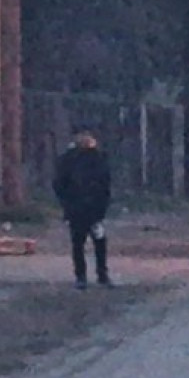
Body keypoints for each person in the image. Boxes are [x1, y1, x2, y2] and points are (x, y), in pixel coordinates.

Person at [54, 124, 112, 290]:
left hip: (95, 208)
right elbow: (59, 183)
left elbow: (105, 183)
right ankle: (81, 276)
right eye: (82, 135)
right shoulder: (69, 159)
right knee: (78, 243)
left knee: (99, 242)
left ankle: (102, 274)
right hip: (76, 208)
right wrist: (67, 204)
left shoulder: (99, 158)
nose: (85, 138)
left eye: (88, 135)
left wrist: (102, 206)